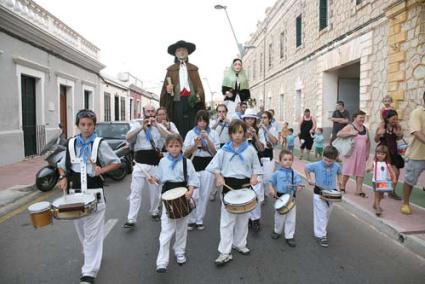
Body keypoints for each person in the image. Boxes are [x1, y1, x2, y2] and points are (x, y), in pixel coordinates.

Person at [57, 109, 120, 284]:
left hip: (95, 196)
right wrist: (63, 177)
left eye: (90, 125)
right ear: (77, 125)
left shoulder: (100, 144)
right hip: (75, 197)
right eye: (83, 125)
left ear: (94, 126)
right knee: (83, 233)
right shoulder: (70, 144)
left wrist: (102, 170)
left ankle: (89, 272)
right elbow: (61, 165)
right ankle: (92, 253)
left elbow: (116, 162)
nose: (86, 128)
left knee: (91, 235)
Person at [206, 119, 262, 266]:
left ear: (244, 134)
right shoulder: (224, 150)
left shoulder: (250, 149)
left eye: (240, 132)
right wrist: (218, 176)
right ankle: (224, 252)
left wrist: (255, 176)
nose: (237, 135)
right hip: (228, 187)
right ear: (230, 134)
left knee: (243, 218)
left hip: (244, 187)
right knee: (227, 221)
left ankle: (240, 243)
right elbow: (214, 166)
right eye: (234, 132)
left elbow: (256, 166)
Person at [148, 134, 200, 273]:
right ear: (166, 147)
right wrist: (153, 179)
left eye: (177, 146)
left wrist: (191, 190)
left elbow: (193, 179)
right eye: (171, 146)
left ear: (181, 147)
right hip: (167, 197)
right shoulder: (163, 162)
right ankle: (162, 261)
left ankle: (180, 251)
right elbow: (158, 178)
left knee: (182, 228)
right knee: (166, 229)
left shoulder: (186, 162)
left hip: (182, 196)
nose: (174, 149)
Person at [124, 105, 169, 227]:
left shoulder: (159, 126)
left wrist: (157, 126)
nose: (150, 113)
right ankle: (131, 219)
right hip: (140, 164)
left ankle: (154, 211)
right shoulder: (136, 124)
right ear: (143, 112)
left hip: (154, 163)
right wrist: (141, 127)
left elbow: (169, 137)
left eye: (152, 111)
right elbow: (128, 138)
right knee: (135, 191)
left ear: (155, 113)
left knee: (154, 191)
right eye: (147, 111)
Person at [160, 40, 205, 138]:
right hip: (177, 102)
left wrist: (198, 95)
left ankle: (192, 146)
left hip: (191, 102)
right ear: (175, 54)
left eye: (184, 50)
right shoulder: (171, 70)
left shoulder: (194, 69)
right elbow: (165, 89)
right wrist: (167, 89)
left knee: (192, 125)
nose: (181, 52)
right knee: (177, 126)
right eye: (179, 50)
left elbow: (199, 87)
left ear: (187, 52)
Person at [183, 110, 219, 230]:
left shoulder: (213, 133)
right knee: (194, 194)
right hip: (193, 164)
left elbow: (215, 153)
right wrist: (194, 145)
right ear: (196, 121)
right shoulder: (190, 133)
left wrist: (207, 139)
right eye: (200, 121)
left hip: (208, 165)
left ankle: (199, 220)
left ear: (207, 121)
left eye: (204, 121)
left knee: (204, 195)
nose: (202, 123)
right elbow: (185, 153)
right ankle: (191, 219)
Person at [304, 145, 343, 248]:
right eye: (325, 160)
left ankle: (322, 228)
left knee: (327, 213)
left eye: (330, 161)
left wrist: (340, 181)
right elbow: (306, 168)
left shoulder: (336, 166)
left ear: (335, 159)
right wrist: (309, 179)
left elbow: (339, 173)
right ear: (323, 156)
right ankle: (321, 235)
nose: (327, 162)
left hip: (332, 193)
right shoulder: (316, 165)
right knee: (320, 214)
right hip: (319, 192)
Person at [250, 111, 279, 232]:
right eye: (261, 118)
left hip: (267, 157)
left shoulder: (272, 128)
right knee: (258, 184)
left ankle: (263, 196)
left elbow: (274, 142)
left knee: (267, 180)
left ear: (270, 119)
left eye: (265, 118)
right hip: (258, 158)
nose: (263, 119)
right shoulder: (257, 129)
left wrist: (266, 130)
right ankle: (255, 214)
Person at [268, 150, 303, 247]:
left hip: (291, 198)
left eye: (290, 159)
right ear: (280, 161)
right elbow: (270, 182)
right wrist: (271, 189)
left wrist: (299, 187)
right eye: (285, 159)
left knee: (291, 218)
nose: (288, 161)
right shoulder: (277, 173)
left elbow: (299, 183)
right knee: (279, 216)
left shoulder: (294, 173)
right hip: (280, 197)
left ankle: (289, 236)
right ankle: (277, 231)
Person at [401, 91, 425, 215]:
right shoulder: (417, 113)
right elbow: (417, 132)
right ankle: (405, 203)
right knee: (410, 180)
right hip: (417, 155)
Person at [338, 110, 371, 197]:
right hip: (351, 153)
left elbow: (368, 142)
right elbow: (339, 134)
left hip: (362, 154)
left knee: (360, 172)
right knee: (347, 171)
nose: (363, 119)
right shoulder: (350, 126)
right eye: (361, 117)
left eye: (364, 117)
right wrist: (350, 133)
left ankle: (359, 190)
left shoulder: (365, 129)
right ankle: (342, 186)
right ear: (355, 118)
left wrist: (367, 153)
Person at [242, 108, 265, 232]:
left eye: (252, 118)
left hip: (256, 166)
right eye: (247, 118)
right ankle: (247, 218)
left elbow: (261, 149)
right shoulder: (239, 130)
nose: (250, 121)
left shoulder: (259, 131)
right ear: (244, 119)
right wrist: (245, 135)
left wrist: (255, 135)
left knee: (256, 192)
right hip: (243, 165)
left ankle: (255, 219)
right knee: (245, 192)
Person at [374, 110, 404, 200]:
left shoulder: (397, 126)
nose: (395, 121)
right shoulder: (382, 126)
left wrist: (399, 134)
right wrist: (379, 134)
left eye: (396, 119)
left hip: (394, 151)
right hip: (383, 152)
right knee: (381, 173)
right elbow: (376, 140)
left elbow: (399, 137)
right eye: (393, 119)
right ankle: (380, 191)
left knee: (396, 173)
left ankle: (391, 191)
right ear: (387, 118)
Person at [366, 145, 397, 217]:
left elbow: (392, 172)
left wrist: (394, 178)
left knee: (381, 195)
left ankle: (375, 204)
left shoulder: (387, 164)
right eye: (378, 153)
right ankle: (377, 208)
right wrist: (369, 169)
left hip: (383, 182)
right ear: (376, 153)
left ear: (386, 155)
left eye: (382, 154)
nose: (380, 155)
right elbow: (371, 168)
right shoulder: (375, 162)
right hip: (375, 181)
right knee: (377, 195)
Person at [210, 104, 231, 201]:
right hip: (216, 149)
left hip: (227, 149)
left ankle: (223, 193)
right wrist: (217, 123)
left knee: (225, 172)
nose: (221, 114)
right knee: (215, 171)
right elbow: (209, 132)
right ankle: (213, 190)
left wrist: (229, 123)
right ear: (217, 112)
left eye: (223, 111)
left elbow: (235, 132)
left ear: (226, 112)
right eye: (219, 111)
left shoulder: (230, 122)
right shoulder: (213, 122)